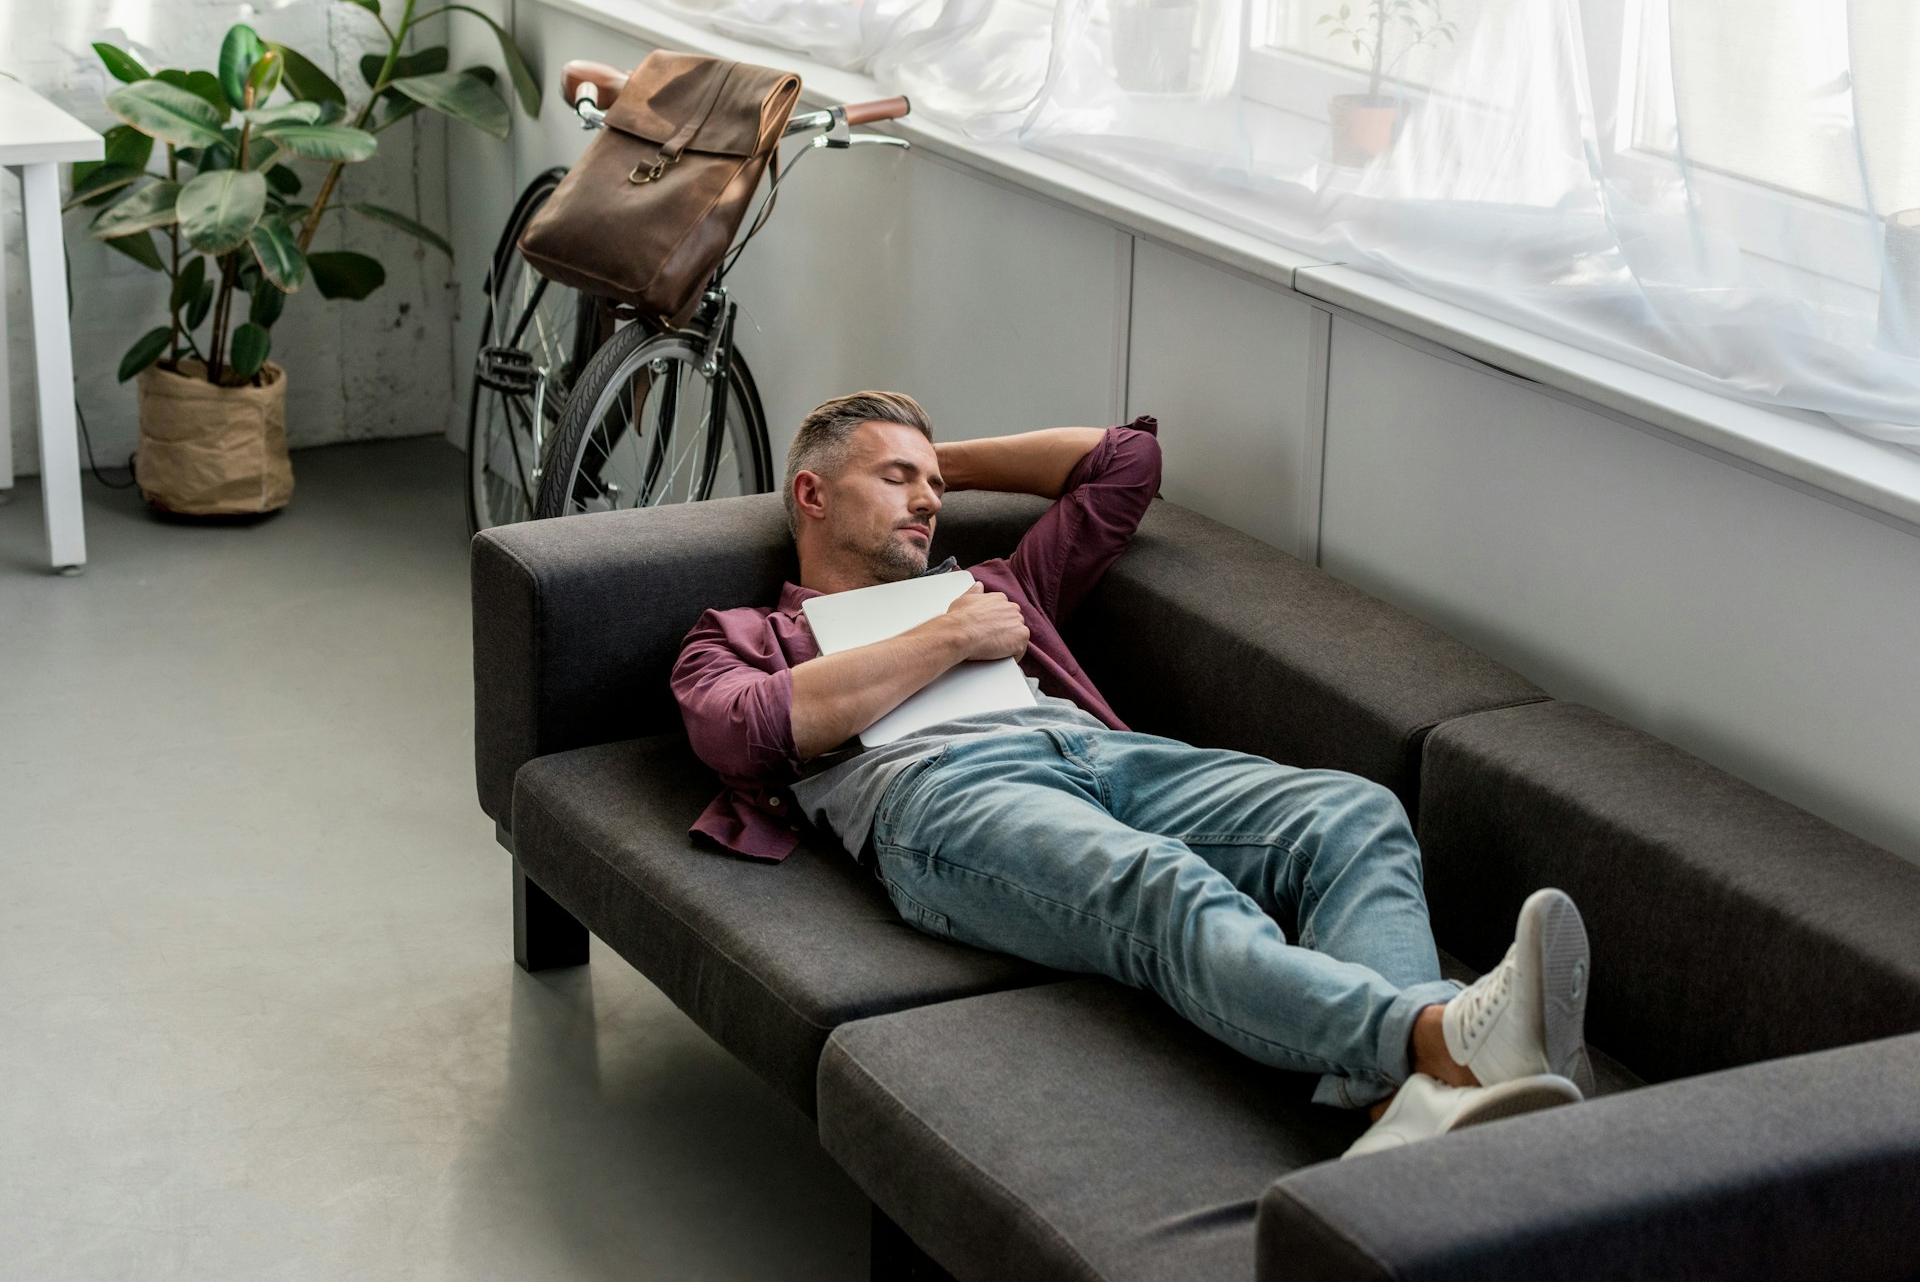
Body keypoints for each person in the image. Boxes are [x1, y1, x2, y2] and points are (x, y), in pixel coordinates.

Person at [670, 391, 1593, 1156]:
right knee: (1161, 884)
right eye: (897, 479)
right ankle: (1435, 1039)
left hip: (1101, 755)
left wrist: (927, 450)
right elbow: (745, 734)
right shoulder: (747, 635)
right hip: (940, 794)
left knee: (1353, 812)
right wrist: (951, 631)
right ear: (812, 495)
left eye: (936, 485)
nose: (930, 500)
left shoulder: (999, 580)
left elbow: (1125, 466)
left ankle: (1402, 1113)